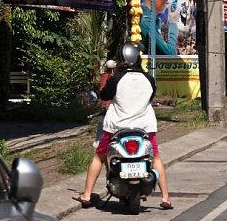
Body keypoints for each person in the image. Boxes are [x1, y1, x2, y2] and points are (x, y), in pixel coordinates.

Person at [74, 43, 172, 210]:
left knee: (100, 156)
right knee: (155, 158)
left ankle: (87, 195)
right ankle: (165, 198)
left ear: (120, 59)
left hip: (117, 127)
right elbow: (149, 98)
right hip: (145, 127)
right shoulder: (149, 79)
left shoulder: (116, 79)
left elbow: (105, 95)